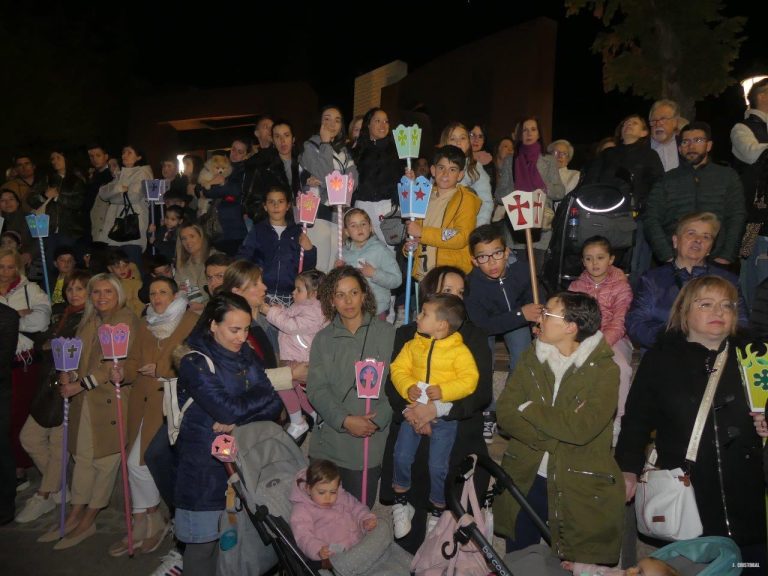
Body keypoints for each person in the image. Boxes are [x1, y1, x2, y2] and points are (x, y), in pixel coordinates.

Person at [616, 276, 767, 565]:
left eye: (727, 305)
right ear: (685, 311)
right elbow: (636, 419)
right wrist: (628, 469)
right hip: (689, 495)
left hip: (751, 494)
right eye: (706, 304)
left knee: (751, 565)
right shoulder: (661, 360)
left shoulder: (756, 356)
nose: (719, 312)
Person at [495, 291, 624, 564]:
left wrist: (529, 408)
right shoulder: (533, 357)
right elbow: (505, 413)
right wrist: (558, 429)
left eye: (547, 313)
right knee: (520, 563)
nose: (539, 317)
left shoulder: (605, 371)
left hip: (577, 483)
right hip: (526, 475)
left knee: (572, 565)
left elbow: (582, 429)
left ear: (570, 327)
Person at [379, 265, 492, 553]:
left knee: (447, 545)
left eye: (460, 292)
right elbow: (394, 382)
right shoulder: (408, 333)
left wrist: (438, 411)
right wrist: (414, 411)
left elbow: (480, 393)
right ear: (430, 292)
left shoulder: (473, 338)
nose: (456, 296)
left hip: (456, 439)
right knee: (409, 543)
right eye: (447, 290)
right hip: (412, 432)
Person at [174, 292, 282, 575]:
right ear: (212, 324)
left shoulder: (245, 354)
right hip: (204, 469)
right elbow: (228, 410)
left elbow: (275, 404)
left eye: (246, 329)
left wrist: (237, 416)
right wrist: (243, 409)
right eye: (234, 329)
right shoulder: (193, 361)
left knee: (234, 547)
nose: (242, 337)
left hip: (241, 466)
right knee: (203, 547)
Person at [44, 273, 140, 549]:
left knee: (105, 461)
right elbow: (80, 356)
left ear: (118, 293)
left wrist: (79, 384)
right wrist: (69, 372)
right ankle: (75, 511)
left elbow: (110, 365)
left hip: (109, 399)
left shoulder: (124, 320)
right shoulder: (89, 320)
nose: (101, 297)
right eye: (96, 292)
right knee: (82, 456)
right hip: (85, 401)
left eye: (108, 292)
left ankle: (90, 516)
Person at [108, 276, 197, 556]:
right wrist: (124, 371)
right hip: (142, 402)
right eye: (153, 293)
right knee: (133, 459)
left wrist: (160, 368)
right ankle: (143, 518)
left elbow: (192, 361)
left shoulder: (190, 321)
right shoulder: (145, 324)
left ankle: (151, 518)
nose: (157, 298)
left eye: (163, 292)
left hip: (171, 401)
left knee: (139, 460)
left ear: (175, 296)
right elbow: (133, 359)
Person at [389, 294, 478, 537]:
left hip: (443, 418)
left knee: (438, 466)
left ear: (442, 324)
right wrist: (407, 387)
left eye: (424, 313)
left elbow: (470, 380)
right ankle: (401, 499)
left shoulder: (459, 350)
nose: (417, 317)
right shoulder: (412, 344)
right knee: (401, 455)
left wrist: (446, 391)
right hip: (414, 410)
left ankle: (438, 509)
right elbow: (397, 368)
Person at [307, 266, 395, 509]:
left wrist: (376, 421)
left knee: (358, 521)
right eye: (340, 294)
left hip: (368, 445)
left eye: (354, 292)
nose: (348, 301)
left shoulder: (388, 334)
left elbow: (397, 387)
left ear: (364, 295)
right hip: (330, 444)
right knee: (323, 522)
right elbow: (316, 389)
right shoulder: (323, 339)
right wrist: (345, 420)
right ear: (331, 300)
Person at [15, 270, 90, 524]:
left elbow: (76, 351)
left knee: (59, 445)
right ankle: (57, 487)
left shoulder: (88, 318)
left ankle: (44, 492)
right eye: (70, 289)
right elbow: (43, 342)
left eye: (80, 289)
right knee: (29, 437)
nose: (74, 294)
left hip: (69, 387)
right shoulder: (62, 313)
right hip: (47, 386)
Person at [464, 225, 542, 441]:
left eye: (497, 254)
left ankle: (508, 405)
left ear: (507, 252)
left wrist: (538, 318)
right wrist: (520, 315)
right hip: (488, 325)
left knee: (523, 354)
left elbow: (535, 296)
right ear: (473, 260)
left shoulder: (523, 269)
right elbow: (482, 326)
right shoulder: (471, 285)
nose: (491, 262)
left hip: (517, 318)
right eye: (483, 257)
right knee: (483, 359)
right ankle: (487, 411)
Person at [626, 212, 747, 351]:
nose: (698, 240)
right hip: (665, 353)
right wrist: (675, 339)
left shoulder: (728, 280)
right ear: (676, 241)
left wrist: (713, 342)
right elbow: (636, 323)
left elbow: (742, 323)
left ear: (710, 248)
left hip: (714, 354)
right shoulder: (652, 279)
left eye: (706, 236)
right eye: (691, 233)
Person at [644, 121, 746, 265]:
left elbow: (737, 216)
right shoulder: (666, 179)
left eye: (698, 140)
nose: (691, 146)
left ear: (709, 145)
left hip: (716, 260)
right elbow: (651, 218)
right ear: (679, 148)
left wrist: (726, 255)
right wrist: (666, 255)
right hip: (674, 260)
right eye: (686, 142)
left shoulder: (727, 176)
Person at [568, 236, 633, 444]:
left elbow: (620, 320)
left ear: (611, 259)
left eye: (600, 258)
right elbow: (569, 316)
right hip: (582, 338)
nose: (594, 263)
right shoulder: (576, 287)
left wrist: (600, 344)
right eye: (588, 259)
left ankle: (619, 419)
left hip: (614, 339)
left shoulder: (621, 286)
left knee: (621, 368)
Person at [0, 248, 52, 494]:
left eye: (10, 266)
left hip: (23, 363)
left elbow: (41, 321)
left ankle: (19, 468)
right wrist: (18, 316)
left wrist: (7, 321)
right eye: (1, 266)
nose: (5, 272)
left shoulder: (30, 290)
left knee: (19, 415)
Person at [261, 270, 328, 440]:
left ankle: (297, 421)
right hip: (295, 354)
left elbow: (291, 326)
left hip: (300, 357)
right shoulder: (304, 306)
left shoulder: (315, 310)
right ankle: (315, 414)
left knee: (284, 386)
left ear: (314, 293)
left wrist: (269, 311)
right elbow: (290, 316)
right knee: (298, 391)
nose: (293, 292)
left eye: (298, 290)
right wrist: (280, 309)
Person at [496, 116, 566, 262]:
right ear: (519, 134)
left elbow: (560, 192)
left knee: (538, 276)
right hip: (516, 226)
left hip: (541, 226)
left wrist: (543, 185)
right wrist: (515, 192)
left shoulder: (549, 160)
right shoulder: (510, 160)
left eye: (533, 130)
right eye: (525, 130)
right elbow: (498, 195)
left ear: (539, 134)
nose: (528, 133)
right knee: (519, 277)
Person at [406, 145, 481, 281]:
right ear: (433, 170)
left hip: (449, 277)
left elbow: (461, 236)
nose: (445, 174)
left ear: (460, 175)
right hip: (423, 275)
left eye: (452, 169)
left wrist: (422, 232)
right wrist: (409, 247)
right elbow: (415, 232)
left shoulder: (466, 199)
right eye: (441, 168)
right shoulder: (423, 195)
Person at [237, 186, 316, 308]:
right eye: (271, 202)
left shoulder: (297, 232)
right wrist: (254, 270)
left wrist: (309, 250)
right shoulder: (258, 230)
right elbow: (243, 257)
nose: (276, 206)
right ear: (265, 206)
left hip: (290, 295)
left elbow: (308, 267)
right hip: (262, 292)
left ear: (288, 206)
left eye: (280, 201)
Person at [290, 459, 377, 563]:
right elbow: (303, 537)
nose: (328, 497)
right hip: (335, 551)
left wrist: (365, 519)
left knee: (383, 527)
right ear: (308, 489)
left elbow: (357, 507)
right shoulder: (302, 509)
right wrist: (318, 549)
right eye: (322, 492)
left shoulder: (341, 496)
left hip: (358, 540)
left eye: (333, 491)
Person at [732, 77, 768, 310]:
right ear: (762, 96)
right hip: (756, 219)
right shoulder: (743, 128)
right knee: (754, 273)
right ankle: (755, 335)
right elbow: (752, 154)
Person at [92, 145, 153, 272]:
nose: (124, 155)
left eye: (129, 152)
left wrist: (113, 197)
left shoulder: (143, 172)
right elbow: (103, 193)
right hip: (116, 229)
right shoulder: (121, 174)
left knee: (131, 271)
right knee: (115, 271)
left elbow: (133, 196)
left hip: (132, 229)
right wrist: (119, 189)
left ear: (139, 157)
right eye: (123, 152)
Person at [27, 147, 87, 277]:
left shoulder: (77, 181)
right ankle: (50, 293)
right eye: (52, 159)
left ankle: (67, 293)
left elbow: (78, 203)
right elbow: (31, 199)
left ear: (67, 159)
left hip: (69, 231)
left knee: (67, 266)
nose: (54, 161)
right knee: (50, 263)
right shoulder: (46, 179)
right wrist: (44, 195)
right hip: (47, 229)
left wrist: (57, 197)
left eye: (58, 157)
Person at [352, 107, 405, 244]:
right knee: (363, 249)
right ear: (368, 124)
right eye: (378, 121)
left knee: (390, 249)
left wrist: (409, 177)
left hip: (388, 208)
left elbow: (403, 179)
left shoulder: (398, 150)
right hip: (363, 206)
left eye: (386, 121)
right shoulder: (356, 151)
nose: (383, 125)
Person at [339, 208, 401, 318]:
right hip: (352, 310)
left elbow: (396, 280)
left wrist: (374, 273)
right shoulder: (343, 254)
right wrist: (336, 272)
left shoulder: (380, 250)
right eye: (353, 225)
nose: (359, 228)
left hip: (376, 309)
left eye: (363, 224)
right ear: (347, 232)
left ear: (370, 227)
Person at [299, 106, 358, 222]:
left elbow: (353, 178)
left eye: (337, 120)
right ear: (319, 122)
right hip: (318, 209)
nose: (332, 124)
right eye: (327, 119)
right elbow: (323, 176)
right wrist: (325, 143)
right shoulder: (310, 146)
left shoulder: (343, 150)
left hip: (340, 209)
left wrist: (342, 195)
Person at [438, 122, 493, 226]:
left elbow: (486, 201)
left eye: (462, 138)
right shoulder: (437, 168)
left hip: (465, 227)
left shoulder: (475, 168)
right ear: (444, 142)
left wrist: (479, 228)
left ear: (468, 143)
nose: (458, 142)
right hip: (439, 226)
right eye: (453, 139)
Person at [202, 139, 250, 255]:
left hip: (235, 227)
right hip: (218, 226)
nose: (235, 154)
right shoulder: (223, 166)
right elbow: (205, 189)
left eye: (240, 152)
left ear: (246, 155)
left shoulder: (246, 171)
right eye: (233, 149)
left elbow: (235, 190)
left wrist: (218, 184)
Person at [0, 303, 19, 525]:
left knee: (2, 448)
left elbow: (3, 357)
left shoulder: (6, 315)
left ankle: (5, 505)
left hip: (1, 389)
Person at [175, 222, 218, 313]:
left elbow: (228, 291)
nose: (188, 242)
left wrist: (204, 305)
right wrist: (180, 290)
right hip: (191, 311)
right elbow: (175, 290)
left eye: (192, 236)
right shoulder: (182, 266)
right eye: (184, 239)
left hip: (216, 310)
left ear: (201, 237)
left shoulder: (217, 259)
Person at [106, 248, 145, 317]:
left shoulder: (137, 284)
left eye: (125, 266)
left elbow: (140, 306)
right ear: (110, 269)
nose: (122, 269)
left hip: (131, 317)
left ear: (129, 265)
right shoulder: (107, 283)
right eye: (117, 267)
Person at [648, 99, 681, 173]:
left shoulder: (684, 144)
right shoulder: (641, 146)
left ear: (675, 122)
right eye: (653, 120)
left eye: (663, 119)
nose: (657, 124)